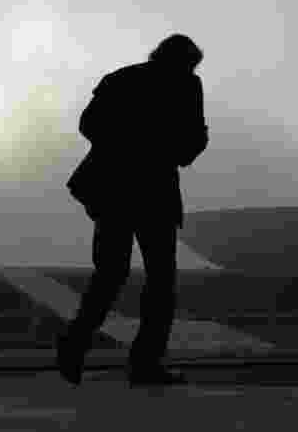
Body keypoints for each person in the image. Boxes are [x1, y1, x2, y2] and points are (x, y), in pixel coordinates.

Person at [59, 34, 208, 386]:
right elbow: (191, 139)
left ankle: (76, 344)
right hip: (152, 191)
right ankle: (144, 363)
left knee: (112, 274)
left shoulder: (122, 79)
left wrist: (126, 144)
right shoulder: (187, 85)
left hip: (116, 190)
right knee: (158, 281)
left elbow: (89, 125)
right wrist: (164, 145)